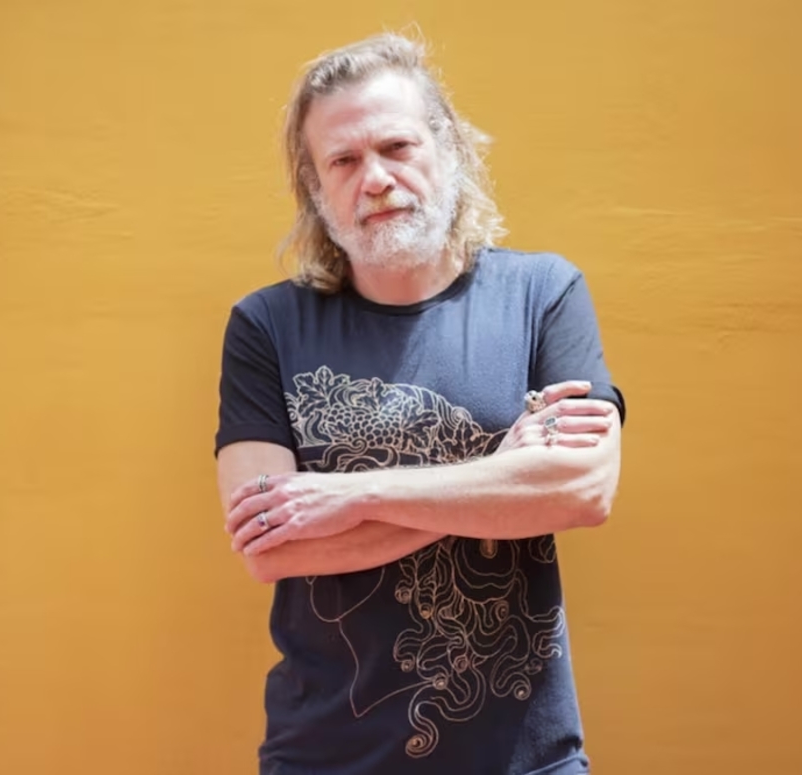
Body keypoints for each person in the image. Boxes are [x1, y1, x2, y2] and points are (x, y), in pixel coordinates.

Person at [215, 31, 625, 775]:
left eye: (397, 146)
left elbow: (582, 490)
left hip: (524, 758)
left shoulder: (543, 295)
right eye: (343, 161)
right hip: (324, 759)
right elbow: (273, 546)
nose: (375, 179)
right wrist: (498, 478)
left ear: (449, 150)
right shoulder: (266, 326)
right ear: (316, 187)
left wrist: (351, 496)